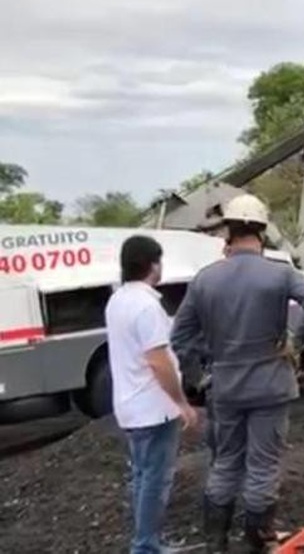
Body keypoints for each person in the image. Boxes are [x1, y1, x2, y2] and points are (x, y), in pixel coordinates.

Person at [171, 194, 304, 553]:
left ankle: (216, 541)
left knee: (225, 463)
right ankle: (259, 541)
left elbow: (180, 338)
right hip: (271, 385)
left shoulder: (205, 280)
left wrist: (198, 375)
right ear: (262, 232)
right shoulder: (279, 273)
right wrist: (295, 340)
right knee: (263, 464)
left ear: (228, 231)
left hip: (225, 387)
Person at [105, 235, 199, 554]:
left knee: (142, 476)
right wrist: (181, 402)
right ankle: (145, 546)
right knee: (155, 481)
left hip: (131, 406)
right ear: (152, 264)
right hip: (153, 408)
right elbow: (159, 361)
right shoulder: (147, 306)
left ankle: (149, 540)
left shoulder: (117, 300)